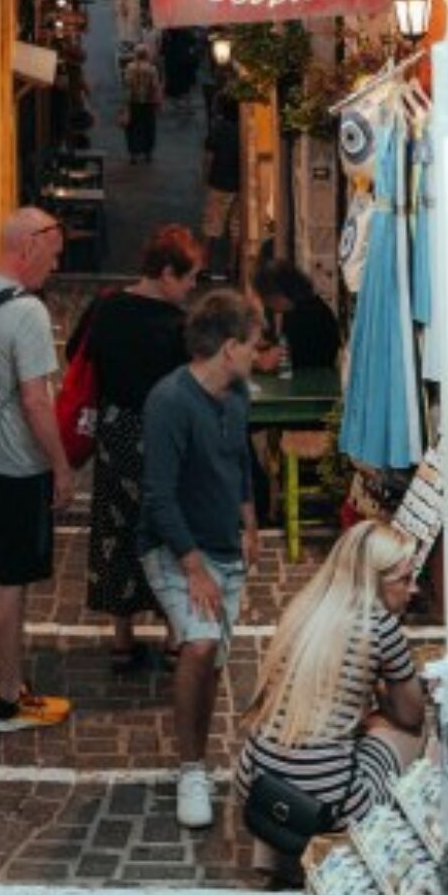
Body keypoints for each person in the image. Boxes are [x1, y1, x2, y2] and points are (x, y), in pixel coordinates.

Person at [138, 290, 262, 829]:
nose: (258, 354)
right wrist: (194, 568)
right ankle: (190, 769)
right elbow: (158, 496)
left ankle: (198, 758)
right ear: (230, 347)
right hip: (175, 548)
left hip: (222, 544)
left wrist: (249, 521)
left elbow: (239, 461)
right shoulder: (169, 402)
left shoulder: (237, 395)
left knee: (212, 662)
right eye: (253, 344)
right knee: (200, 644)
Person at [235, 521, 425, 869]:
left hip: (255, 780)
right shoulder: (381, 626)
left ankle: (272, 856)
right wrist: (385, 696)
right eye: (405, 579)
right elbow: (412, 715)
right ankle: (401, 846)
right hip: (331, 800)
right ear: (374, 580)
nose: (415, 589)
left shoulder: (306, 608)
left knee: (308, 739)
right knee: (409, 732)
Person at [0, 208, 74, 733]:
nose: (56, 264)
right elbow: (35, 400)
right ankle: (9, 699)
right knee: (12, 581)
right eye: (53, 253)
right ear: (28, 245)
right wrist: (60, 465)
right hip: (17, 466)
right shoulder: (27, 312)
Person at [68, 225, 201, 671]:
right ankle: (174, 636)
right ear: (167, 273)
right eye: (189, 278)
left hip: (115, 432)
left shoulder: (106, 307)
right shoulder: (176, 326)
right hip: (164, 439)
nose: (192, 287)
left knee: (116, 530)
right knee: (168, 531)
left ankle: (122, 640)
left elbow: (76, 354)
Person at [253, 258, 341, 372]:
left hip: (313, 376)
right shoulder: (299, 308)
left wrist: (259, 361)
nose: (267, 304)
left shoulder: (309, 313)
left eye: (267, 298)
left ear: (278, 293)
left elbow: (292, 356)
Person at [201, 100, 243, 279]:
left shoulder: (218, 129)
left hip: (219, 183)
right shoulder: (244, 130)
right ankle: (232, 267)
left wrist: (206, 178)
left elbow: (209, 157)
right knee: (236, 228)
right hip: (240, 185)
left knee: (211, 226)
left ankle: (204, 266)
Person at [122, 50, 164, 164]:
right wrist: (158, 101)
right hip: (148, 102)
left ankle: (134, 154)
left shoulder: (129, 67)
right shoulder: (152, 69)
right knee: (148, 127)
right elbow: (155, 86)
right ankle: (148, 153)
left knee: (133, 128)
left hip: (133, 101)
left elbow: (127, 83)